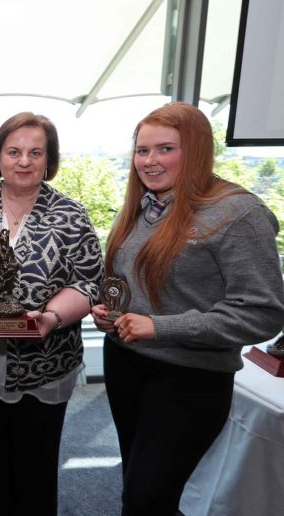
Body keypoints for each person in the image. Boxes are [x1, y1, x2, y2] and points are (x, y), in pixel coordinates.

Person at [91, 102, 284, 515]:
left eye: (165, 149)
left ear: (196, 150)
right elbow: (137, 286)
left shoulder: (239, 213)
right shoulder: (144, 206)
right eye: (142, 150)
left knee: (146, 498)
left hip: (189, 378)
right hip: (126, 363)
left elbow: (262, 313)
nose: (150, 161)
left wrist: (160, 327)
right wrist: (111, 314)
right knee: (138, 488)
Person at [0, 112, 104, 515]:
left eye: (36, 152)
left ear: (49, 160)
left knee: (34, 473)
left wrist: (50, 317)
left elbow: (89, 283)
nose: (24, 161)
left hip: (43, 367)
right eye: (13, 151)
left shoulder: (71, 215)